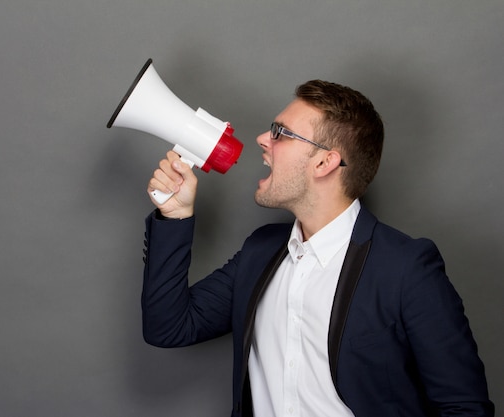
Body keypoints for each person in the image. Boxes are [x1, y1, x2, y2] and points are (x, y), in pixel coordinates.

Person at [141, 80, 494, 417]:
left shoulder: (406, 269)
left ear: (325, 163)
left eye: (280, 133)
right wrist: (174, 216)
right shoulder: (260, 252)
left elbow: (464, 407)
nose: (263, 139)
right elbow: (170, 327)